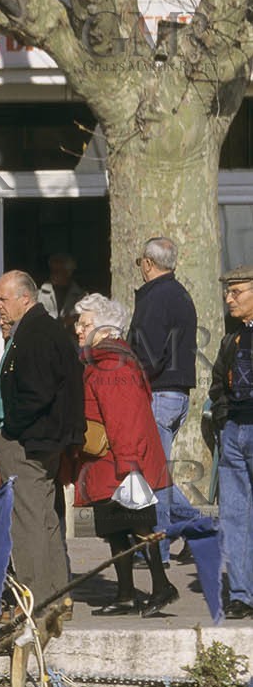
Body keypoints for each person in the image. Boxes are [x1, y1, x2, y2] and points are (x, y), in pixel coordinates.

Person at [73, 294, 174, 616]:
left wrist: (129, 466)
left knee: (137, 524)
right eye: (79, 323)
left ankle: (161, 586)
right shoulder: (102, 361)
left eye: (85, 323)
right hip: (108, 462)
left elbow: (124, 418)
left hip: (119, 462)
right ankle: (126, 594)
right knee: (116, 528)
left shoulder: (110, 364)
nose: (78, 329)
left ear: (105, 329)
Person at [0, 270, 85, 612]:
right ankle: (58, 595)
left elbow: (37, 392)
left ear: (25, 298)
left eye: (3, 299)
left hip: (30, 441)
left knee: (28, 522)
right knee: (45, 518)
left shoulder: (35, 333)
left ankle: (33, 598)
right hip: (43, 440)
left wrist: (11, 427)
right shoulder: (43, 329)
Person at [127, 236, 197, 563]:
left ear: (148, 263)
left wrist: (128, 378)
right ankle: (200, 528)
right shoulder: (180, 293)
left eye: (140, 262)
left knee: (153, 475)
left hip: (158, 392)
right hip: (176, 394)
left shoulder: (156, 297)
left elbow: (149, 354)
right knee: (155, 473)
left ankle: (159, 550)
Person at [210, 265, 253, 618]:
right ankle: (241, 594)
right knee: (234, 516)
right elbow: (217, 384)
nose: (229, 298)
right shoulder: (232, 338)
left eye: (236, 291)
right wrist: (224, 421)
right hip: (234, 431)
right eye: (228, 291)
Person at [38, 253, 85, 330]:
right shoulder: (40, 294)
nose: (53, 274)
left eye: (57, 271)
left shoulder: (81, 296)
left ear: (68, 273)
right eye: (52, 271)